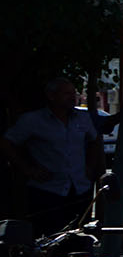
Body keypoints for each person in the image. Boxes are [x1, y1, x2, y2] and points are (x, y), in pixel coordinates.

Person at [2, 77, 105, 234]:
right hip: (48, 190)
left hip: (79, 188)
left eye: (74, 93)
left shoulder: (82, 118)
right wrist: (27, 168)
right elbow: (7, 143)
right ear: (51, 96)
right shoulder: (33, 120)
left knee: (79, 235)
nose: (72, 97)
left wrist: (90, 166)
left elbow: (94, 139)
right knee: (50, 236)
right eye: (66, 93)